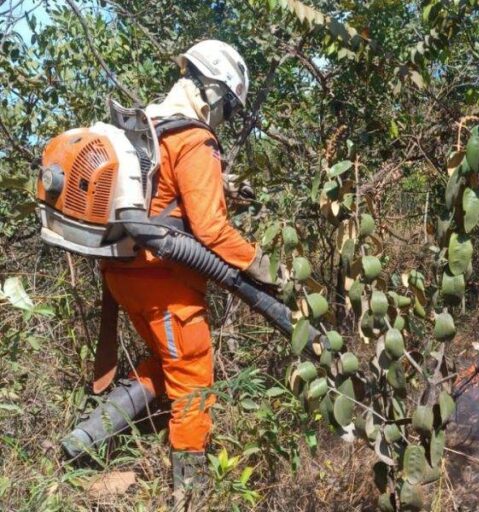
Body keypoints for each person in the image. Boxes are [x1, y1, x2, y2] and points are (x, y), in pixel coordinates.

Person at [60, 39, 274, 505]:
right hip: (164, 287)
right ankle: (190, 492)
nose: (226, 120)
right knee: (193, 377)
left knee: (164, 364)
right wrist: (265, 268)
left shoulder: (148, 124)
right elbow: (212, 231)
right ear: (214, 93)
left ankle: (86, 438)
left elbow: (163, 196)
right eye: (230, 110)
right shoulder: (194, 138)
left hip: (123, 278)